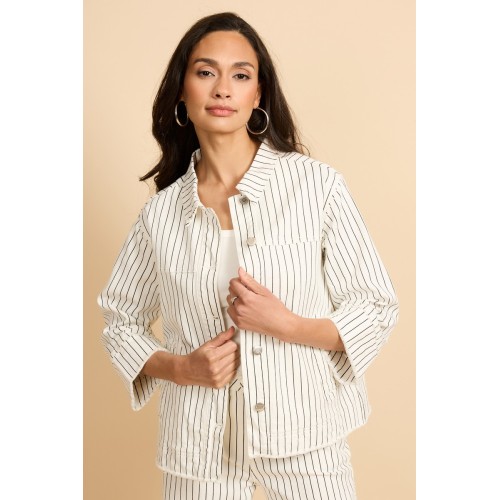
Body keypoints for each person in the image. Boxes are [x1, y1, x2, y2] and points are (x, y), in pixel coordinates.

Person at [98, 11, 399, 500]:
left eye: (240, 76)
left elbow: (376, 307)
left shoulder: (316, 187)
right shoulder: (160, 215)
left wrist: (288, 325)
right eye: (205, 72)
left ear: (258, 94)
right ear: (181, 92)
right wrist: (181, 368)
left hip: (306, 436)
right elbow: (120, 320)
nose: (223, 89)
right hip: (199, 448)